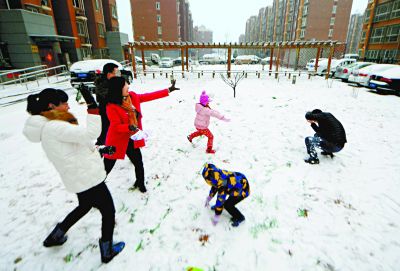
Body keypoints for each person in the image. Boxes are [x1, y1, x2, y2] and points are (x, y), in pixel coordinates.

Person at [23, 88, 124, 264]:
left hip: (77, 176)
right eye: (64, 103)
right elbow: (90, 134)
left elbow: (75, 147)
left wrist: (100, 149)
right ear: (51, 105)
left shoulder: (51, 124)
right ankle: (107, 250)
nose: (68, 105)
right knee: (108, 211)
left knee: (84, 206)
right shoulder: (55, 126)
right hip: (87, 177)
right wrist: (92, 106)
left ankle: (56, 235)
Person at [103, 77, 179, 193]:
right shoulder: (111, 106)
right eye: (125, 85)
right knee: (105, 169)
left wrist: (168, 90)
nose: (128, 86)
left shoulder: (132, 97)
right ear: (118, 89)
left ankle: (140, 182)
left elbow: (149, 96)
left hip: (132, 138)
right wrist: (129, 126)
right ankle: (94, 190)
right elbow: (116, 126)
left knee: (138, 162)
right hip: (116, 141)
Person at [95, 62, 120, 145]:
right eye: (116, 72)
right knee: (106, 129)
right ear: (109, 74)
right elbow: (109, 96)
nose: (118, 74)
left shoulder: (114, 81)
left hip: (115, 109)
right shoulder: (101, 82)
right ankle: (100, 147)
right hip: (105, 110)